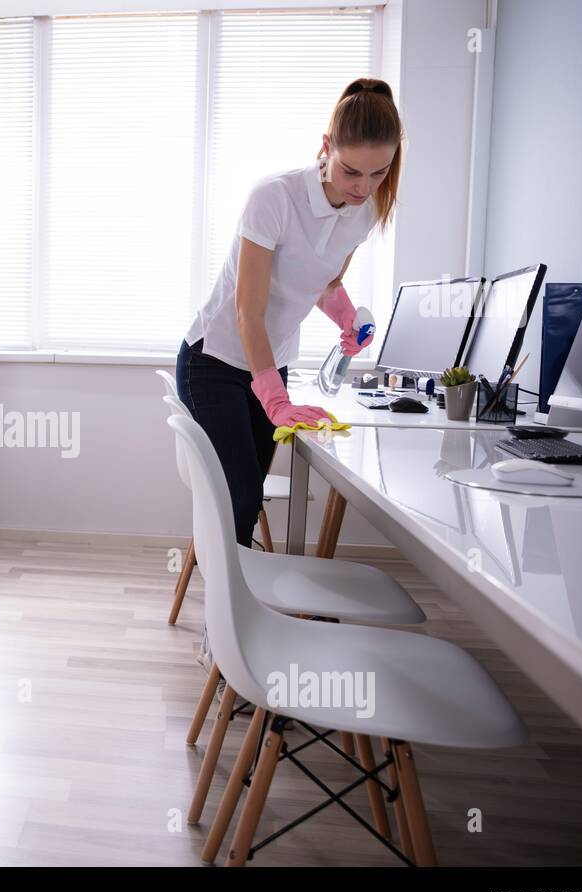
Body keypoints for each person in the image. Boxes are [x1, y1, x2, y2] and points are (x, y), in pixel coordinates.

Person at [176, 77, 403, 548]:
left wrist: (345, 318)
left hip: (268, 359)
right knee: (236, 495)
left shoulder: (365, 212)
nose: (364, 187)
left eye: (379, 173)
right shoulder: (274, 198)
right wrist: (276, 400)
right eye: (351, 172)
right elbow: (247, 313)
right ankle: (223, 618)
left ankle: (238, 599)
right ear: (326, 148)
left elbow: (325, 282)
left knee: (248, 493)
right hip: (214, 360)